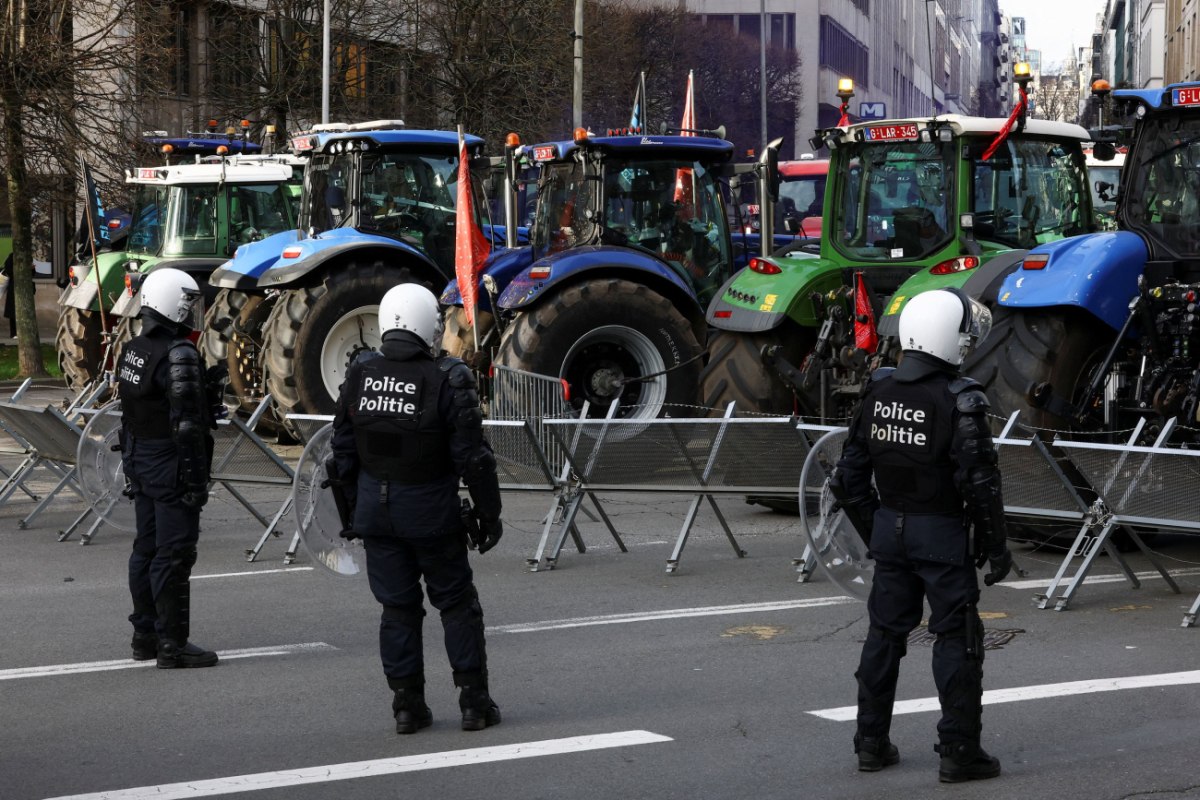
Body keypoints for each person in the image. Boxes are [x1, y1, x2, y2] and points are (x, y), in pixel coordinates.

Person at [829, 287, 1013, 783]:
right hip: (943, 537)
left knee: (884, 636)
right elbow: (982, 485)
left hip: (892, 530)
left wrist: (881, 531)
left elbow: (847, 479)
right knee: (958, 639)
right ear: (947, 338)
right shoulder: (960, 398)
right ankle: (959, 752)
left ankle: (870, 743)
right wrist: (997, 548)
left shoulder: (878, 389)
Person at [329, 283, 504, 735]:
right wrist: (490, 515)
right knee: (457, 605)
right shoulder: (449, 376)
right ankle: (474, 703)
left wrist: (352, 515)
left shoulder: (360, 373)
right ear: (429, 325)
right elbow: (474, 459)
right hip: (430, 514)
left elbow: (341, 457)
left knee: (398, 610)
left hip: (376, 515)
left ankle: (406, 706)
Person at [118, 268, 221, 669]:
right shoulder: (178, 353)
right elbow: (188, 426)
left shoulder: (134, 348)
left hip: (140, 458)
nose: (190, 310)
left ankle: (144, 634)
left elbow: (135, 410)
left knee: (146, 547)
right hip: (169, 462)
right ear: (170, 302)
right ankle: (172, 644)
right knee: (174, 553)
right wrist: (197, 482)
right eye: (187, 302)